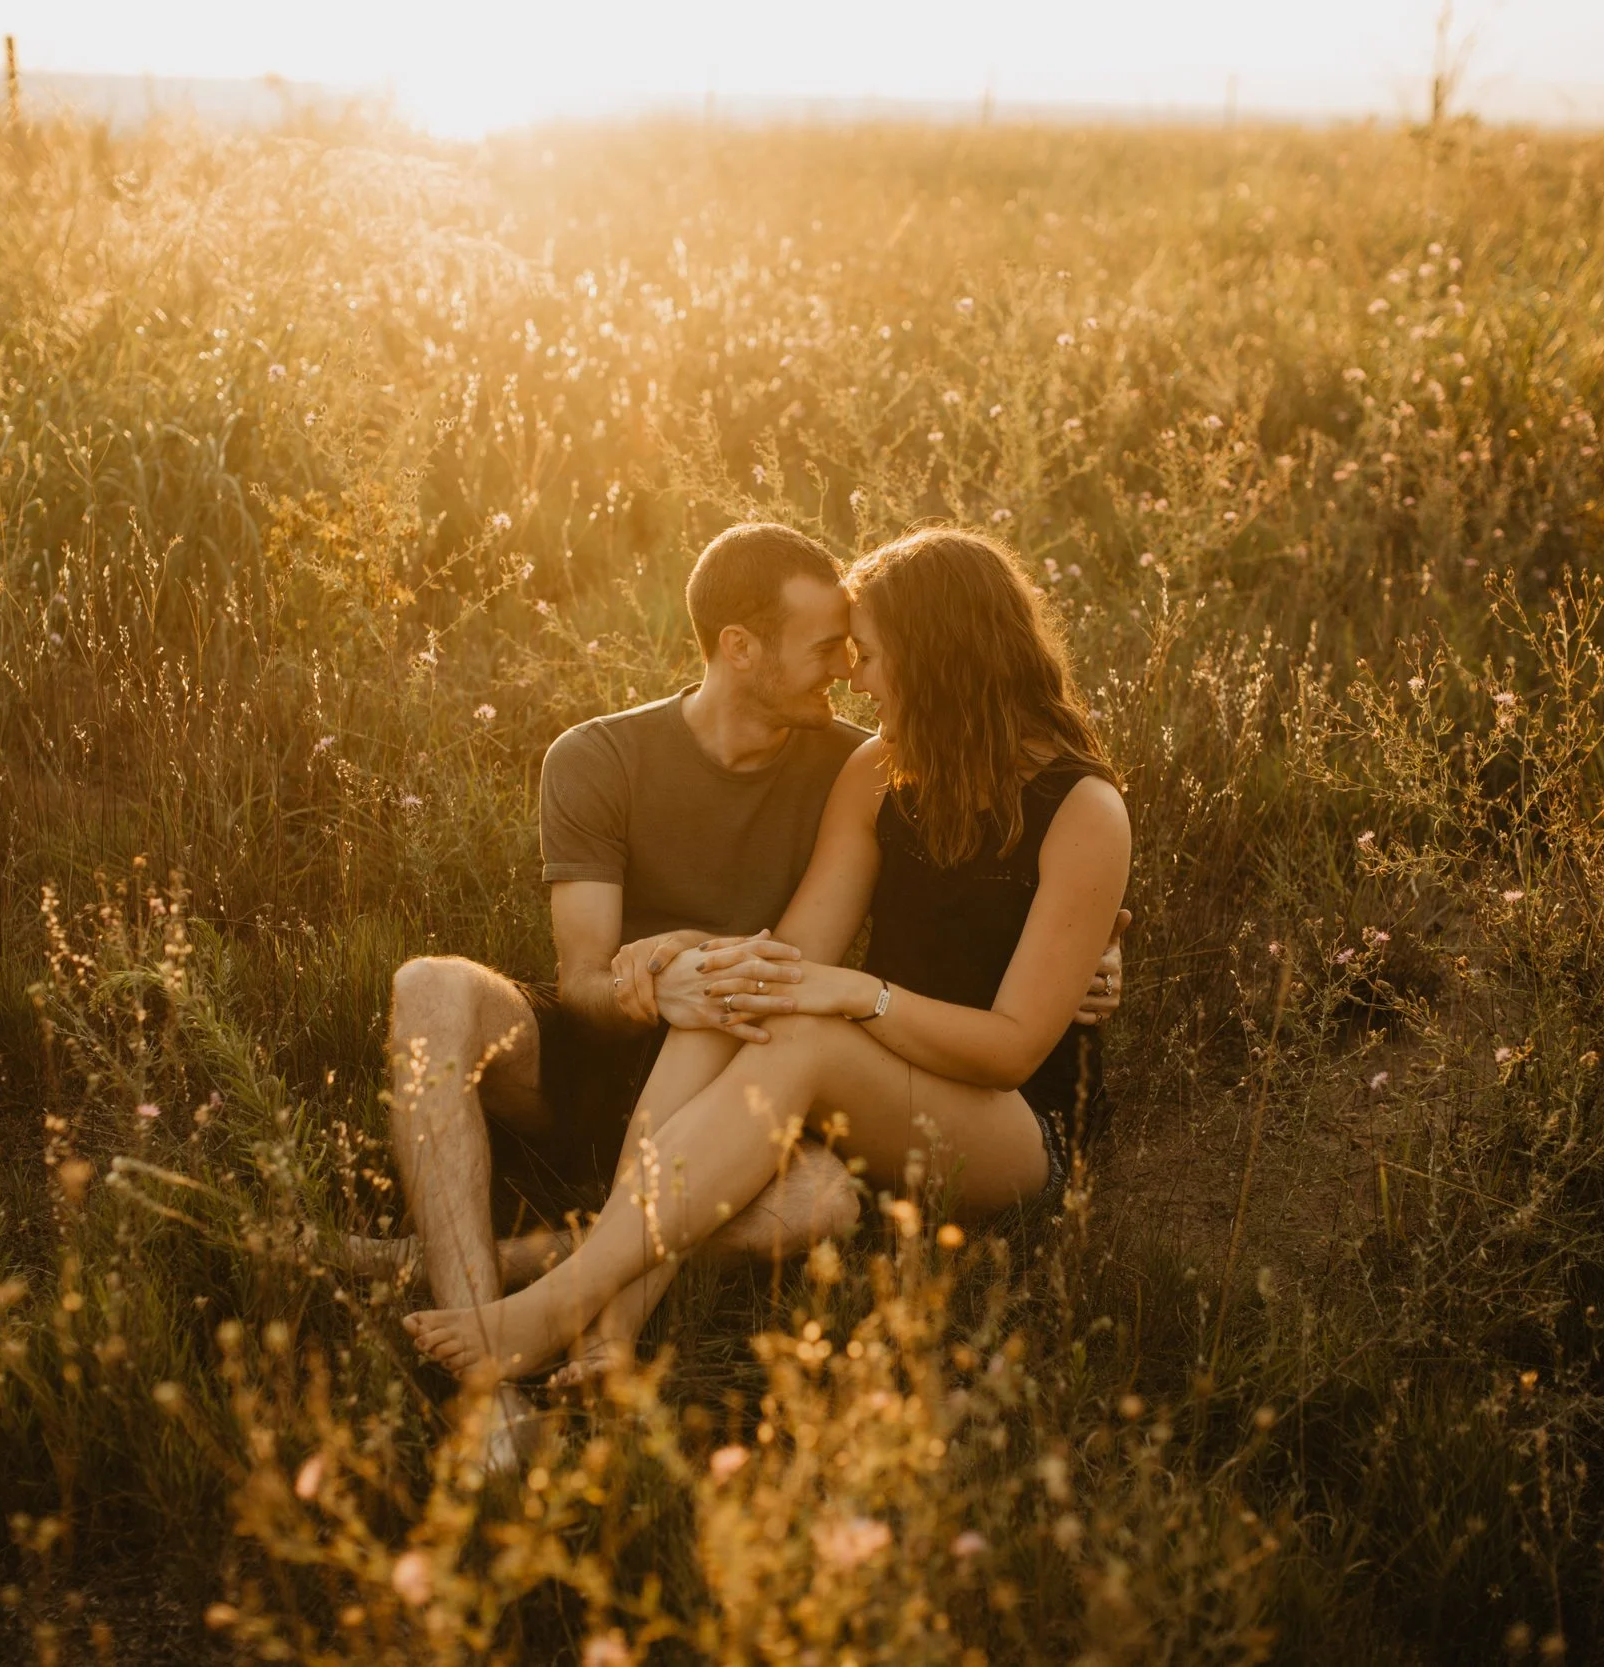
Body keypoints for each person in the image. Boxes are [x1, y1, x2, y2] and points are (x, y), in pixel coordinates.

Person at [365, 522, 1127, 1457]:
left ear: (937, 658)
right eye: (844, 652)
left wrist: (861, 995)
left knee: (799, 1025)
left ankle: (555, 1300)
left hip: (1017, 1122)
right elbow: (792, 957)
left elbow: (1013, 1047)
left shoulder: (1084, 808)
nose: (855, 677)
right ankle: (611, 1332)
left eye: (869, 655)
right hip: (886, 1075)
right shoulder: (879, 770)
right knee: (747, 991)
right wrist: (703, 965)